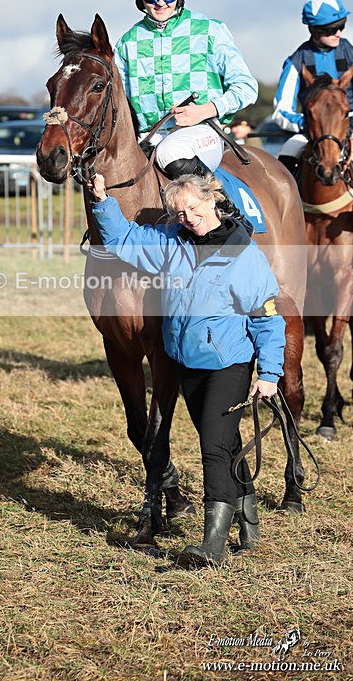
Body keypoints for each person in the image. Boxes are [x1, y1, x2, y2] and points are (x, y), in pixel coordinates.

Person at [88, 171, 285, 566]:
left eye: (193, 208)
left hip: (229, 363)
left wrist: (269, 372)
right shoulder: (171, 242)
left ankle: (212, 545)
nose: (188, 217)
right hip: (186, 362)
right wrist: (102, 200)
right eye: (179, 212)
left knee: (212, 446)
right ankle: (248, 523)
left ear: (213, 200)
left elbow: (266, 317)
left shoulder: (244, 255)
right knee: (226, 442)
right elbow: (123, 240)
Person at [115, 0, 258, 217]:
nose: (160, 3)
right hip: (148, 136)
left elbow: (247, 87)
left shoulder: (210, 31)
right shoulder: (127, 43)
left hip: (204, 134)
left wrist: (205, 110)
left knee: (171, 150)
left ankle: (226, 215)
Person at [273, 0, 353, 175]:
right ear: (315, 31)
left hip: (349, 126)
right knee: (287, 153)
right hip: (312, 132)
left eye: (342, 26)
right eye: (332, 29)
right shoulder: (296, 61)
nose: (339, 33)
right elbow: (281, 111)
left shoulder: (349, 52)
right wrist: (311, 123)